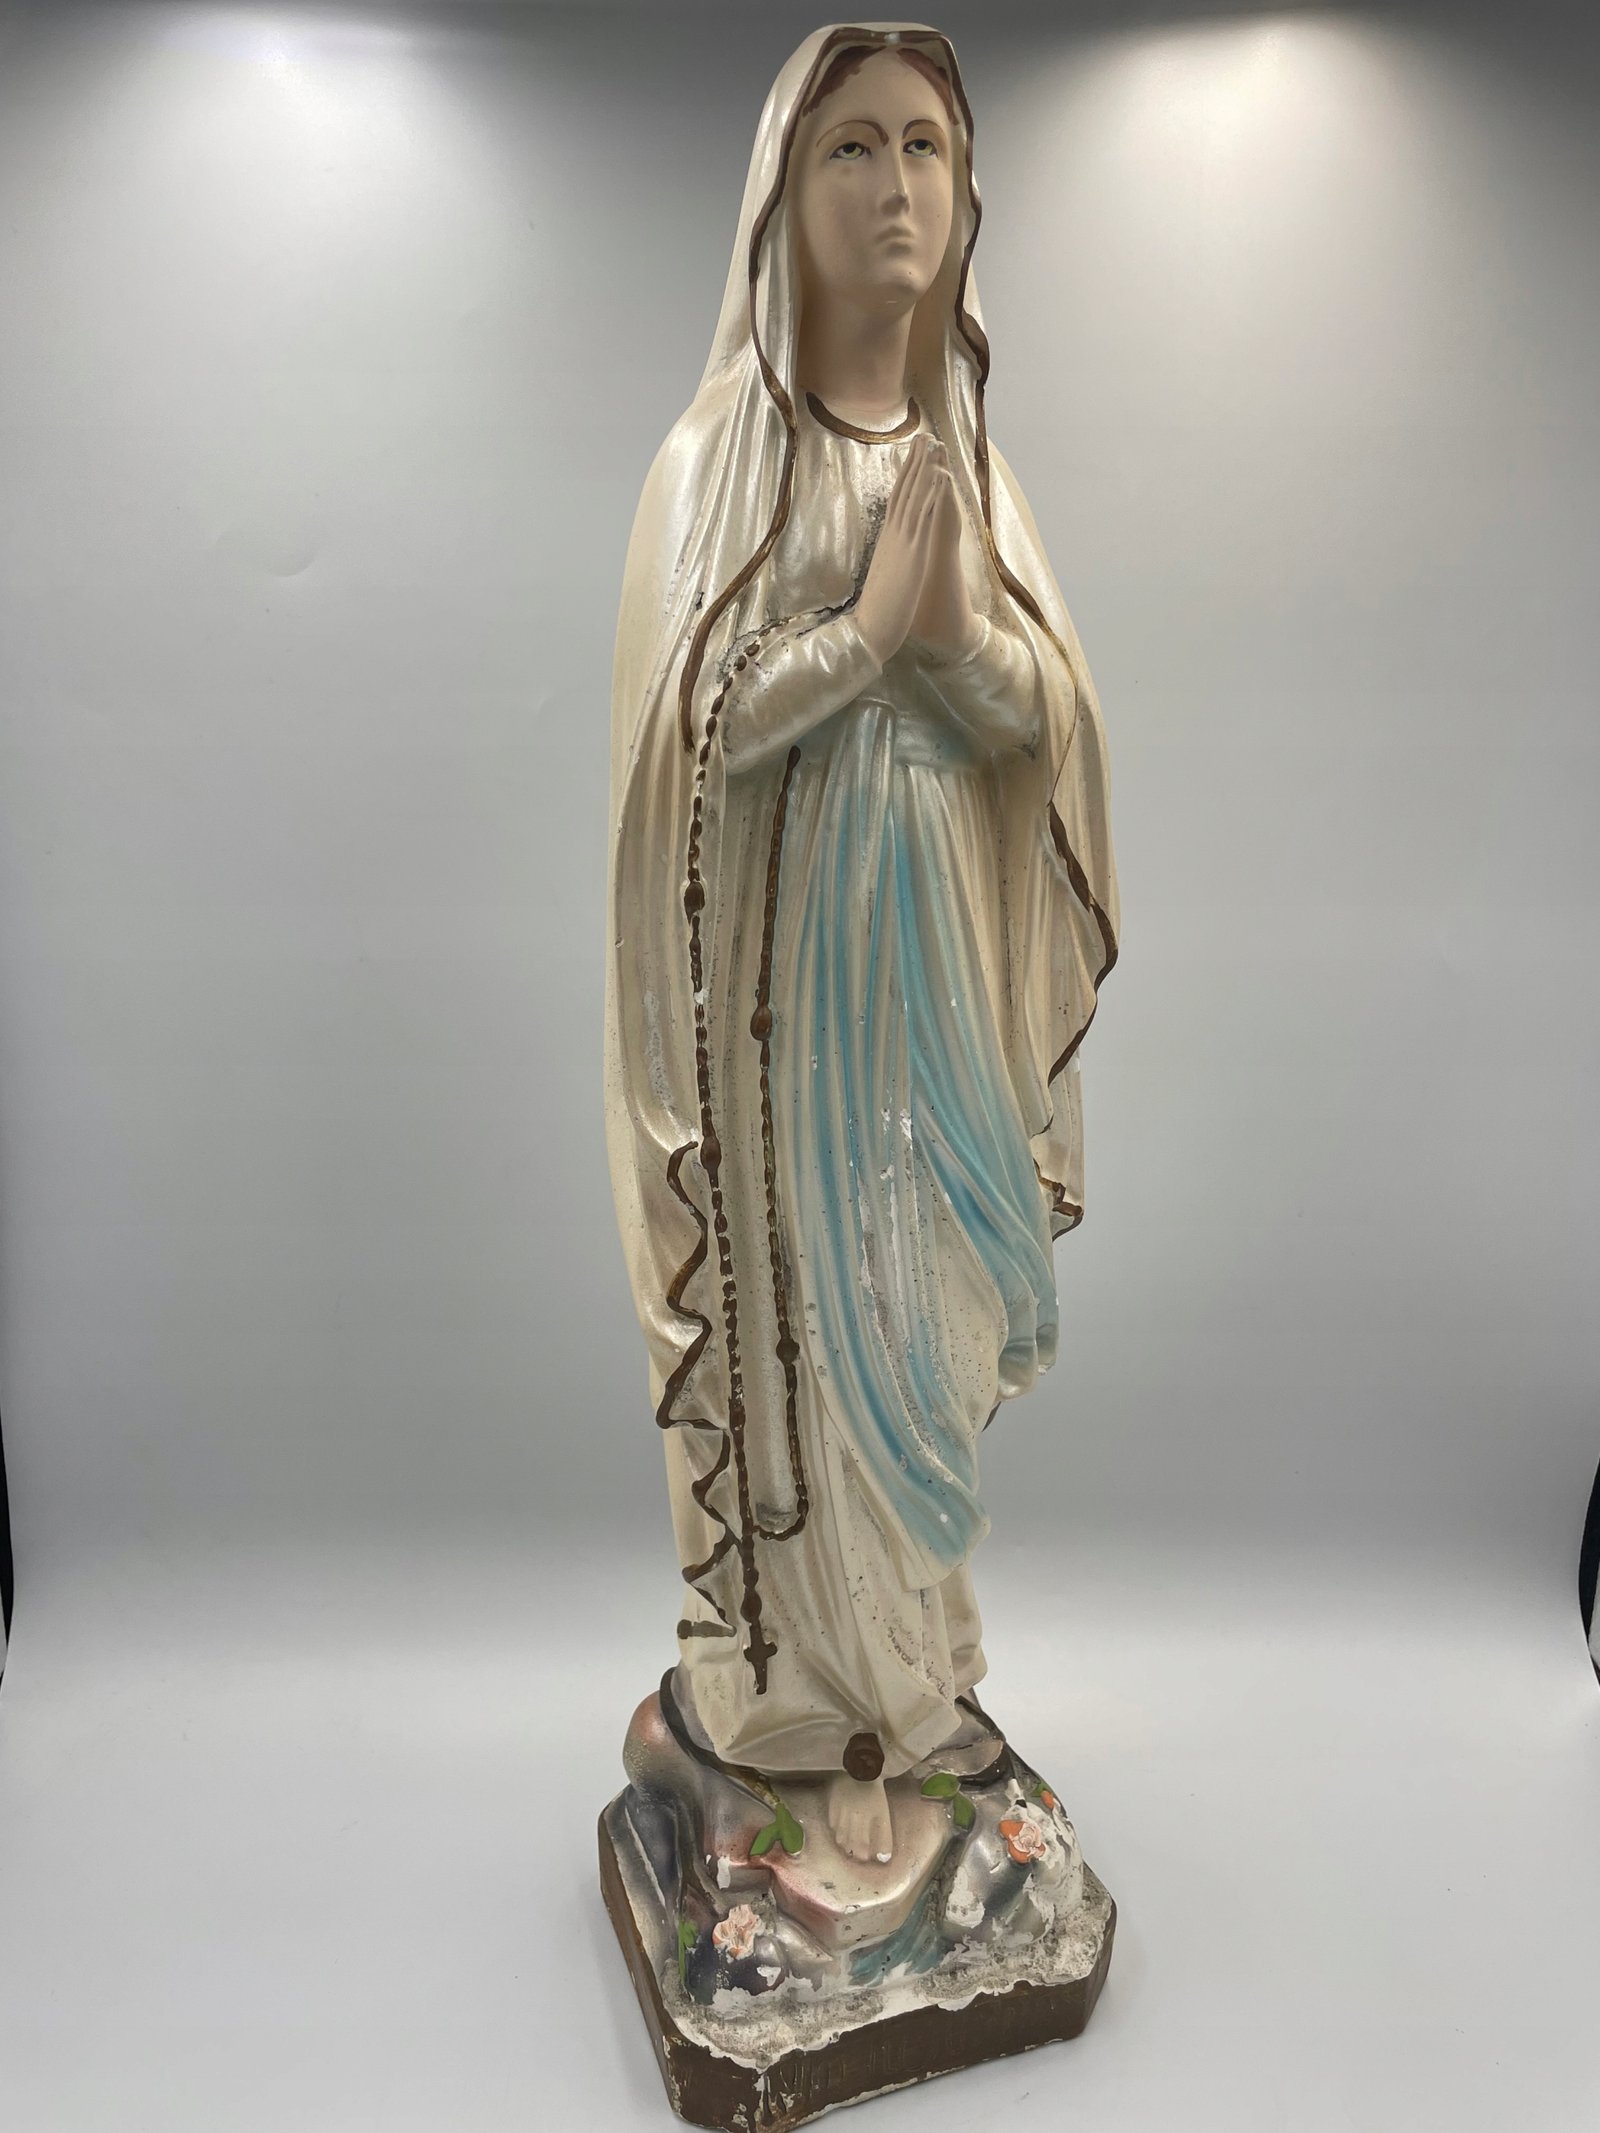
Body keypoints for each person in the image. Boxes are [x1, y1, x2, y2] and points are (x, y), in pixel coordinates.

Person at [604, 23, 1117, 1866]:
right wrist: (861, 637)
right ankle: (802, 1704)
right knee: (813, 1315)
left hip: (940, 971)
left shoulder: (975, 467)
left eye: (925, 148)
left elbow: (1048, 725)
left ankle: (912, 1678)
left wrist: (958, 645)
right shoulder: (718, 464)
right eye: (852, 148)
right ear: (782, 193)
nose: (896, 186)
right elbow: (683, 742)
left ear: (965, 195)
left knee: (936, 1302)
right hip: (781, 995)